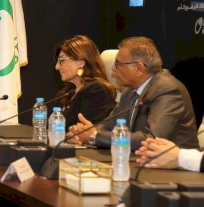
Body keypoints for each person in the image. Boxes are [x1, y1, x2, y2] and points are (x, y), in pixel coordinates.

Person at [67, 36, 198, 151]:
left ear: (139, 69)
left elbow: (151, 138)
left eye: (118, 64)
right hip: (138, 159)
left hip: (177, 166)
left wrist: (94, 137)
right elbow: (108, 126)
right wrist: (83, 133)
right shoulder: (129, 91)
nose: (112, 68)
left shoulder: (167, 90)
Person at [53, 35, 116, 127]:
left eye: (62, 60)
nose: (57, 67)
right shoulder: (67, 94)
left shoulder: (96, 90)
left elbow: (85, 131)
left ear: (81, 62)